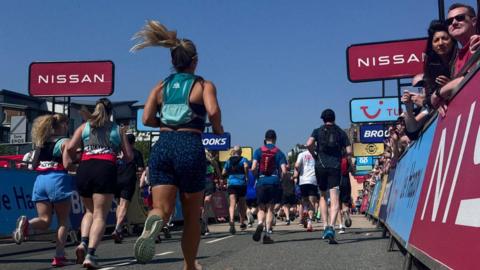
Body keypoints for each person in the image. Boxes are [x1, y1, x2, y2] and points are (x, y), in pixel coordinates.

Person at [131, 20, 223, 270]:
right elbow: (213, 111)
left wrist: (166, 119)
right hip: (189, 145)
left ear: (174, 61)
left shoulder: (161, 86)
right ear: (195, 61)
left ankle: (154, 223)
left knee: (161, 207)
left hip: (163, 145)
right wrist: (217, 130)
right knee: (192, 215)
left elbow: (148, 118)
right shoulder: (203, 85)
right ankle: (189, 265)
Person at [64, 98, 133, 268]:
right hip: (105, 167)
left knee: (89, 211)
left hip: (85, 167)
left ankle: (83, 243)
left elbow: (70, 147)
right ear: (111, 113)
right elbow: (129, 156)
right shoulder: (117, 129)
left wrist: (73, 161)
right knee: (100, 215)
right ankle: (90, 254)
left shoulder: (85, 126)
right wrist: (118, 158)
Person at [12, 114, 72, 267]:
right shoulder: (64, 142)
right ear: (63, 125)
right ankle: (59, 256)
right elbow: (67, 164)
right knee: (63, 221)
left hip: (40, 180)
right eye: (67, 124)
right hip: (58, 179)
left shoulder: (41, 143)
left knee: (45, 220)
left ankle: (27, 224)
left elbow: (32, 165)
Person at [306, 109, 352, 244]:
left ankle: (325, 226)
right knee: (335, 197)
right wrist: (348, 161)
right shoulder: (341, 132)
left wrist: (315, 155)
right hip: (335, 167)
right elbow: (349, 151)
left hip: (320, 166)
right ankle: (332, 227)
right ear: (334, 118)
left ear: (323, 119)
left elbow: (308, 144)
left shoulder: (317, 130)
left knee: (322, 195)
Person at [432, 3, 480, 115]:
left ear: (474, 21)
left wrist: (438, 93)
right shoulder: (456, 59)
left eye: (460, 18)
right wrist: (445, 99)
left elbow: (473, 79)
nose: (454, 23)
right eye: (449, 21)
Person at [251, 129, 287, 244]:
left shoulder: (258, 151)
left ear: (265, 139)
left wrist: (257, 177)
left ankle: (260, 223)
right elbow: (284, 171)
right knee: (270, 209)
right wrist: (280, 179)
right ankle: (266, 235)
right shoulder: (279, 152)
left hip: (261, 181)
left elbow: (253, 168)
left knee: (261, 207)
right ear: (275, 139)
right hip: (274, 181)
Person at [112, 133, 145, 243]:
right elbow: (140, 169)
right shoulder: (135, 153)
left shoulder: (117, 152)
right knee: (124, 205)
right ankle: (117, 228)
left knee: (118, 204)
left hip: (116, 179)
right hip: (128, 180)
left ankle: (119, 228)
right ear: (134, 143)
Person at [222, 145, 249, 234]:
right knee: (241, 204)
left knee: (232, 204)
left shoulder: (229, 160)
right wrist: (246, 175)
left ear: (233, 151)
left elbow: (223, 172)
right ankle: (242, 223)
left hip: (232, 183)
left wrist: (227, 176)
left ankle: (232, 220)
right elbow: (245, 166)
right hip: (241, 183)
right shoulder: (243, 159)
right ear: (240, 152)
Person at [293, 149, 318, 232]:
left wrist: (296, 174)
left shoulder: (301, 154)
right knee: (312, 202)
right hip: (313, 180)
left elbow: (296, 166)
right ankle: (310, 222)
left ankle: (305, 209)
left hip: (303, 180)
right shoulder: (316, 153)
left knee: (304, 200)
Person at [201, 150, 221, 236]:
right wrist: (220, 179)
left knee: (200, 206)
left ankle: (201, 224)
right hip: (209, 182)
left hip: (198, 183)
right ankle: (204, 225)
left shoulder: (196, 160)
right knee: (206, 206)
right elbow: (219, 173)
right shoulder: (212, 161)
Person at [338, 157, 353, 234]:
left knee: (337, 205)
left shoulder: (334, 157)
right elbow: (353, 170)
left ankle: (341, 226)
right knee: (345, 203)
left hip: (336, 181)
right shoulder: (347, 158)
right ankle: (345, 211)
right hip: (346, 181)